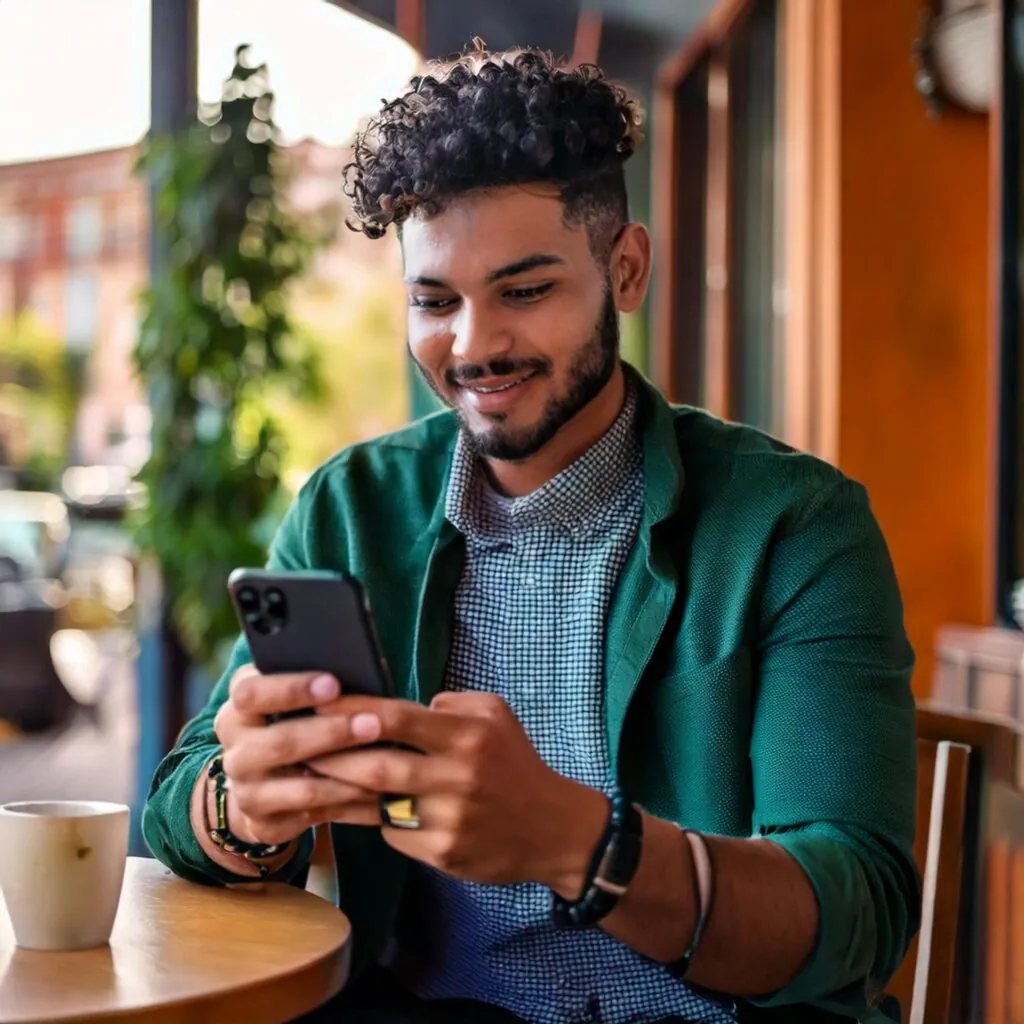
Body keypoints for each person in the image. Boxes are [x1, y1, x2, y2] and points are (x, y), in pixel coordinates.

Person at [143, 43, 919, 1024]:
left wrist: (580, 843)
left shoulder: (794, 526)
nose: (472, 346)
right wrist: (239, 807)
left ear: (624, 269)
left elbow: (857, 908)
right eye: (434, 302)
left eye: (524, 290)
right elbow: (177, 800)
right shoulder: (351, 506)